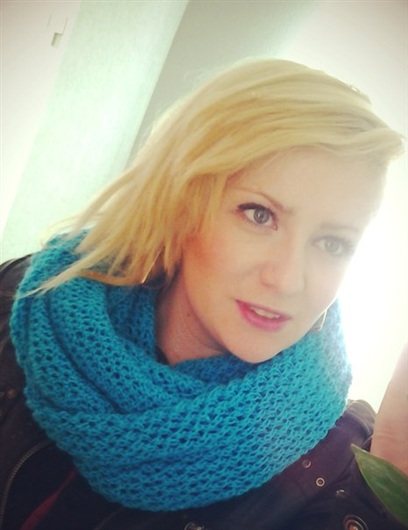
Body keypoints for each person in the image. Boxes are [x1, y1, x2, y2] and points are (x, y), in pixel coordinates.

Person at [0, 59, 407, 530]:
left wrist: (388, 494)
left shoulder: (340, 470)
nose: (287, 280)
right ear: (182, 200)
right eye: (259, 215)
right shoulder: (29, 301)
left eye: (333, 243)